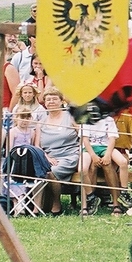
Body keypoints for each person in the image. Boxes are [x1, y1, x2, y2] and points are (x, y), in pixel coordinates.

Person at [37, 87, 80, 215]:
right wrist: (47, 158)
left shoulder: (71, 117)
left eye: (54, 99)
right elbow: (37, 145)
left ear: (61, 101)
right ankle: (42, 204)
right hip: (49, 157)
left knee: (52, 172)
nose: (51, 102)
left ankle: (57, 204)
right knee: (42, 169)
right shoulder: (41, 121)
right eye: (48, 99)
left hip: (70, 155)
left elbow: (83, 136)